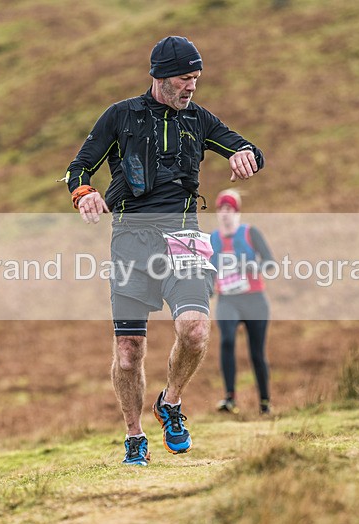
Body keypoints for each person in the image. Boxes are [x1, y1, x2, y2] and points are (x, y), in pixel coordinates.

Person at [62, 36, 264, 465]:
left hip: (185, 237)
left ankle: (169, 403)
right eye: (184, 78)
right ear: (159, 77)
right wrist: (84, 193)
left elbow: (247, 147)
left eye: (197, 78)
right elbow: (78, 167)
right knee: (128, 351)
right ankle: (134, 435)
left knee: (194, 330)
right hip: (131, 240)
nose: (192, 86)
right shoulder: (121, 116)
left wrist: (248, 155)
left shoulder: (200, 119)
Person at [209, 189, 275, 415]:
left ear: (237, 212)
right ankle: (229, 398)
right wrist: (207, 289)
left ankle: (265, 403)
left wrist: (253, 268)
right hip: (227, 299)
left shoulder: (250, 233)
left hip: (254, 299)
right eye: (220, 209)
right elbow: (207, 270)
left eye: (229, 209)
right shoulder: (212, 239)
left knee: (256, 353)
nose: (224, 214)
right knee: (226, 340)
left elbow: (270, 262)